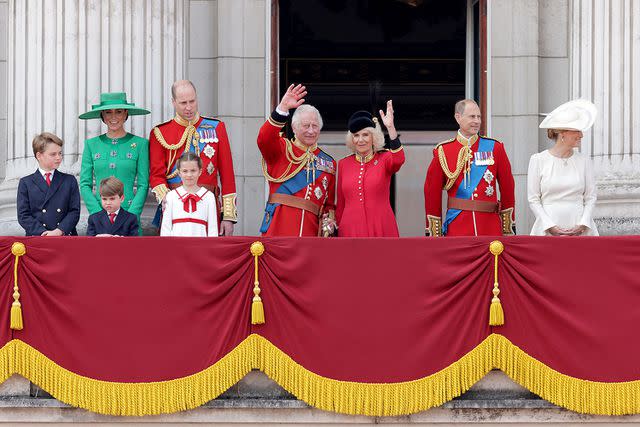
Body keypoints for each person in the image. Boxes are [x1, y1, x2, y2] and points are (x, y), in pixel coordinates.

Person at [149, 80, 237, 235]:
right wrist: (166, 200)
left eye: (192, 101)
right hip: (175, 208)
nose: (188, 107)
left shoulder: (216, 128)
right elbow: (156, 176)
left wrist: (228, 216)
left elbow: (227, 174)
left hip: (209, 207)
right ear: (173, 102)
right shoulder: (160, 133)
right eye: (183, 103)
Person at [423, 99, 515, 237]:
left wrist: (507, 228)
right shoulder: (443, 151)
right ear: (458, 117)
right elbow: (431, 193)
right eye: (472, 116)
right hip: (457, 227)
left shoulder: (495, 148)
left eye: (479, 117)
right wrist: (435, 233)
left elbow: (508, 188)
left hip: (489, 228)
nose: (477, 121)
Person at [257, 84, 336, 237]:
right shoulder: (281, 149)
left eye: (315, 126)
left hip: (311, 232)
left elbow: (329, 206)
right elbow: (264, 138)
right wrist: (282, 108)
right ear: (294, 127)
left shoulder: (329, 163)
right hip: (279, 228)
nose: (311, 131)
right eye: (306, 126)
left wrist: (329, 223)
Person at [79, 92, 150, 235]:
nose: (113, 117)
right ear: (102, 116)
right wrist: (97, 213)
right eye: (108, 112)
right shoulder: (91, 145)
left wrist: (132, 215)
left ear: (125, 114)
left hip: (130, 219)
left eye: (118, 112)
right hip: (100, 219)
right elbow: (84, 184)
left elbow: (143, 184)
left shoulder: (140, 144)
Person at [529, 99, 598, 236]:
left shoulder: (584, 161)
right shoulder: (538, 160)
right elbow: (533, 199)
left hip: (581, 228)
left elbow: (591, 197)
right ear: (562, 134)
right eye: (577, 130)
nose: (581, 135)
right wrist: (549, 225)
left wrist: (583, 224)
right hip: (547, 228)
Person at [335, 101, 405, 237]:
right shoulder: (344, 164)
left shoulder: (384, 159)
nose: (360, 140)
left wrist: (390, 128)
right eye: (356, 135)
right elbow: (341, 204)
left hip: (381, 225)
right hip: (350, 229)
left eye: (365, 135)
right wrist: (336, 227)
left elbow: (399, 159)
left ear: (374, 137)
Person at [17, 132, 80, 236]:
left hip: (64, 236)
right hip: (38, 237)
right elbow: (23, 215)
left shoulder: (69, 180)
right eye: (53, 154)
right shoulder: (26, 183)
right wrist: (43, 232)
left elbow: (74, 211)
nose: (58, 157)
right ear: (39, 155)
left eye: (60, 153)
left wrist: (59, 231)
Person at [160, 152, 218, 237]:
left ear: (200, 172)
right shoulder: (171, 196)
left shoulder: (208, 196)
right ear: (179, 173)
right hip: (176, 247)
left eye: (193, 170)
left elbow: (213, 230)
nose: (189, 175)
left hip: (200, 247)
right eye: (185, 171)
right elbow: (166, 228)